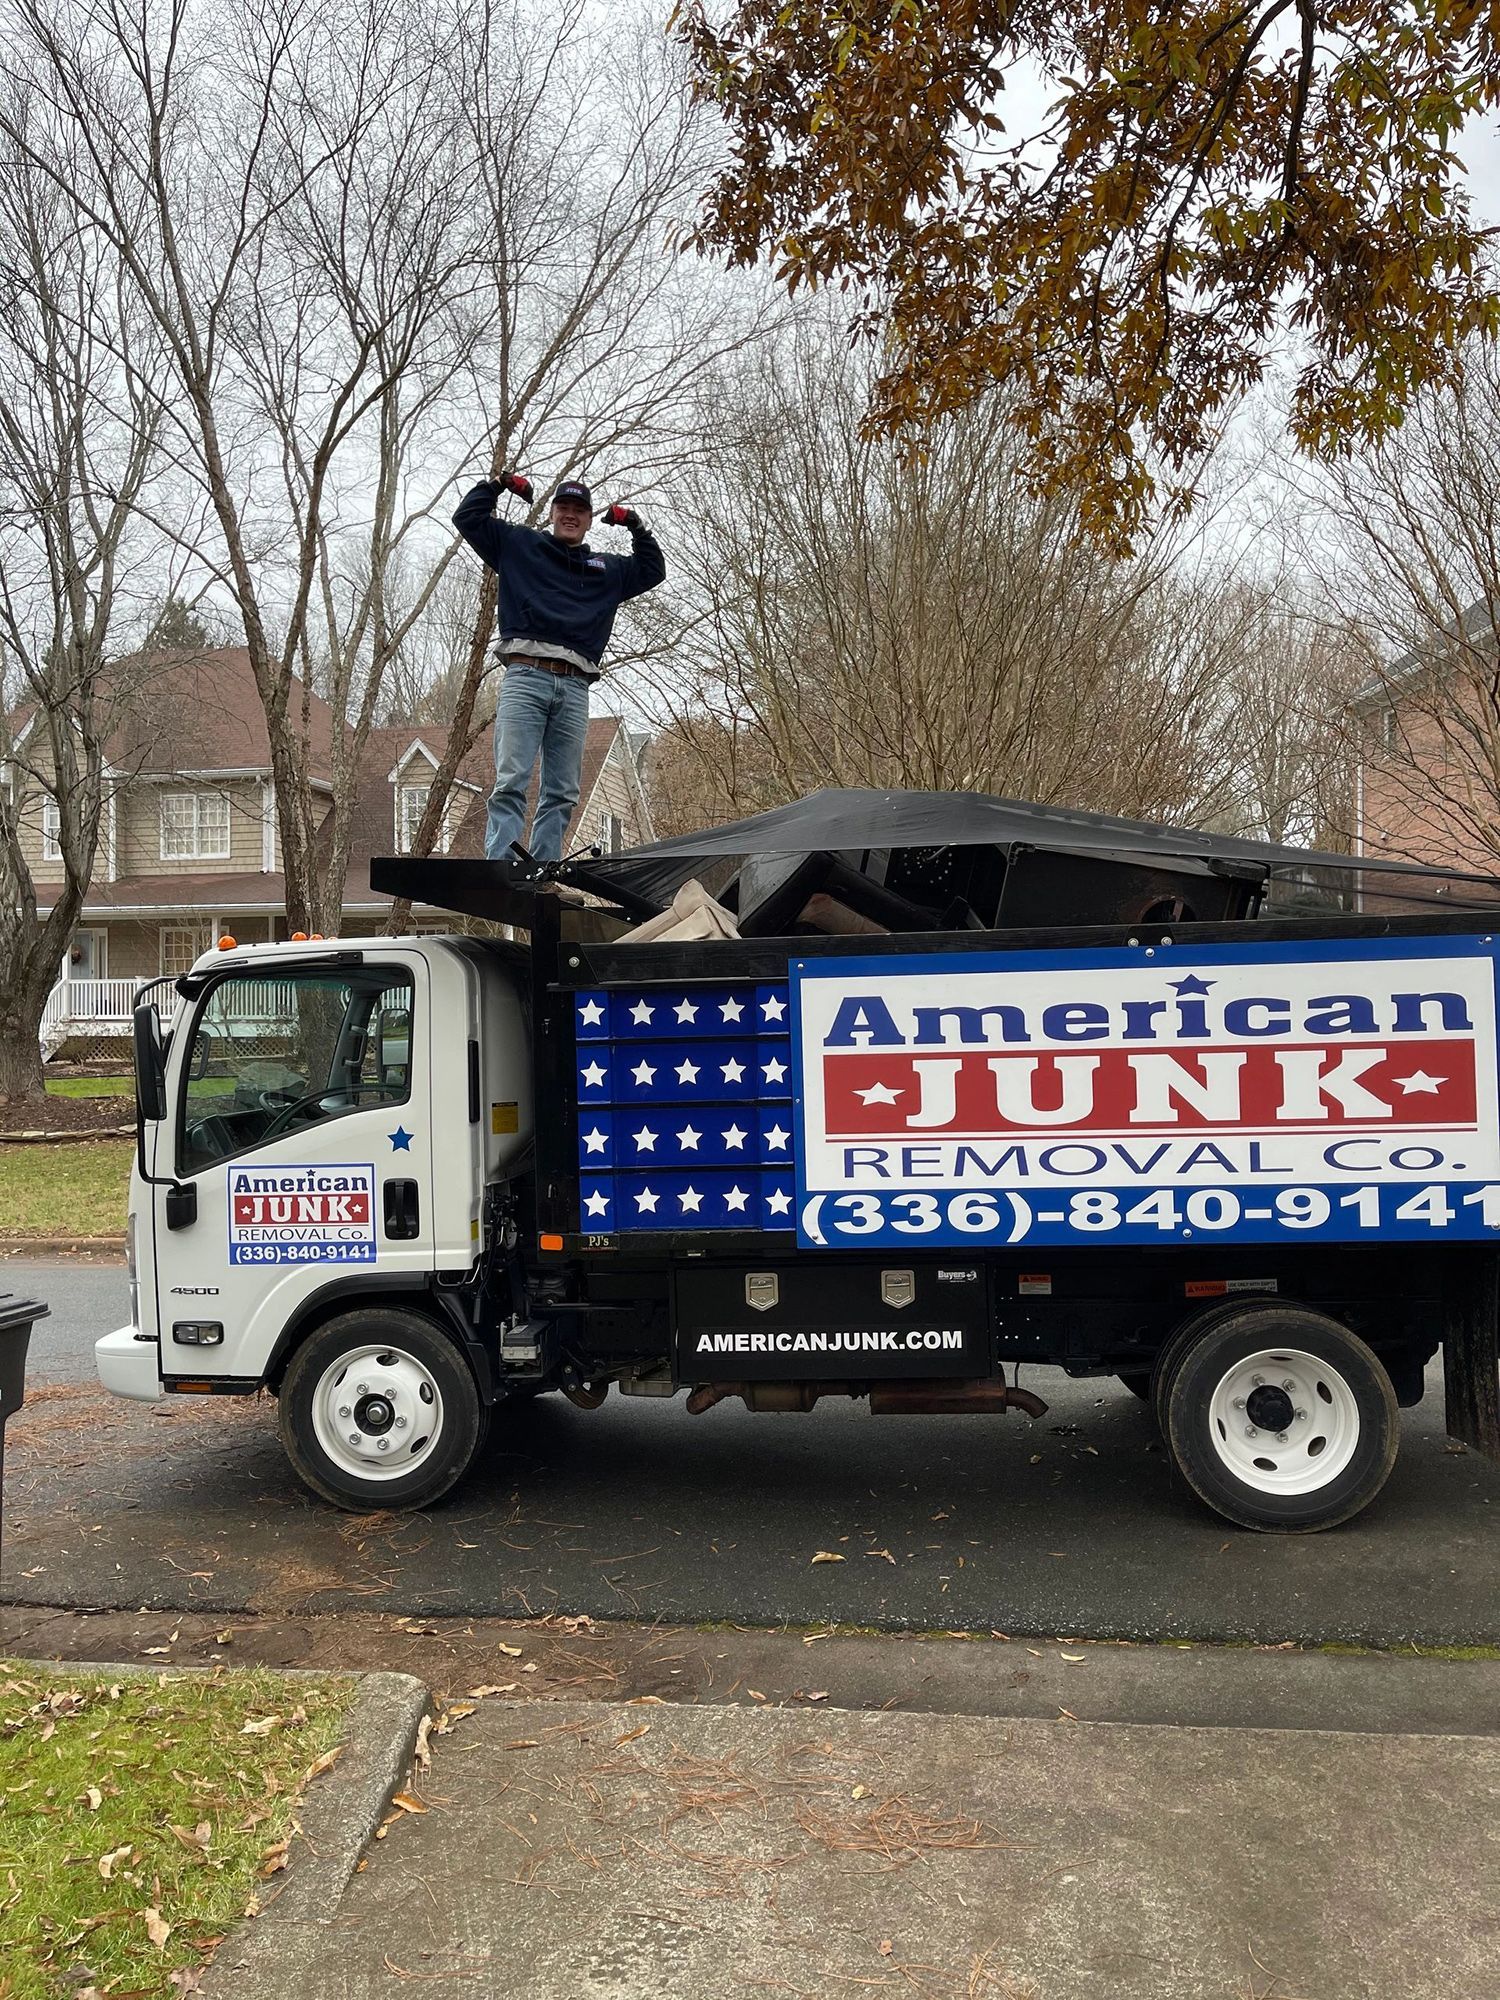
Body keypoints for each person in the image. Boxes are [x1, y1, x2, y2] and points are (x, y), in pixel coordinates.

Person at [452, 473, 665, 863]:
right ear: (551, 513)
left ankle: (545, 869)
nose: (570, 515)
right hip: (526, 676)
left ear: (588, 519)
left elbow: (652, 570)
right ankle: (503, 864)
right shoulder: (520, 545)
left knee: (563, 790)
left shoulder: (606, 570)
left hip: (575, 687)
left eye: (579, 511)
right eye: (563, 508)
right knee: (511, 779)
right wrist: (498, 484)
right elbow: (468, 518)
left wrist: (635, 525)